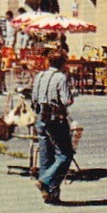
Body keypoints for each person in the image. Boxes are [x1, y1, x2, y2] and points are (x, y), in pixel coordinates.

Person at [32, 50, 76, 204]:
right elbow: (67, 100)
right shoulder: (61, 78)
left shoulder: (39, 76)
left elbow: (34, 98)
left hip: (40, 117)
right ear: (63, 63)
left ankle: (51, 194)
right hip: (55, 118)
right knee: (65, 154)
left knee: (46, 155)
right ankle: (46, 181)